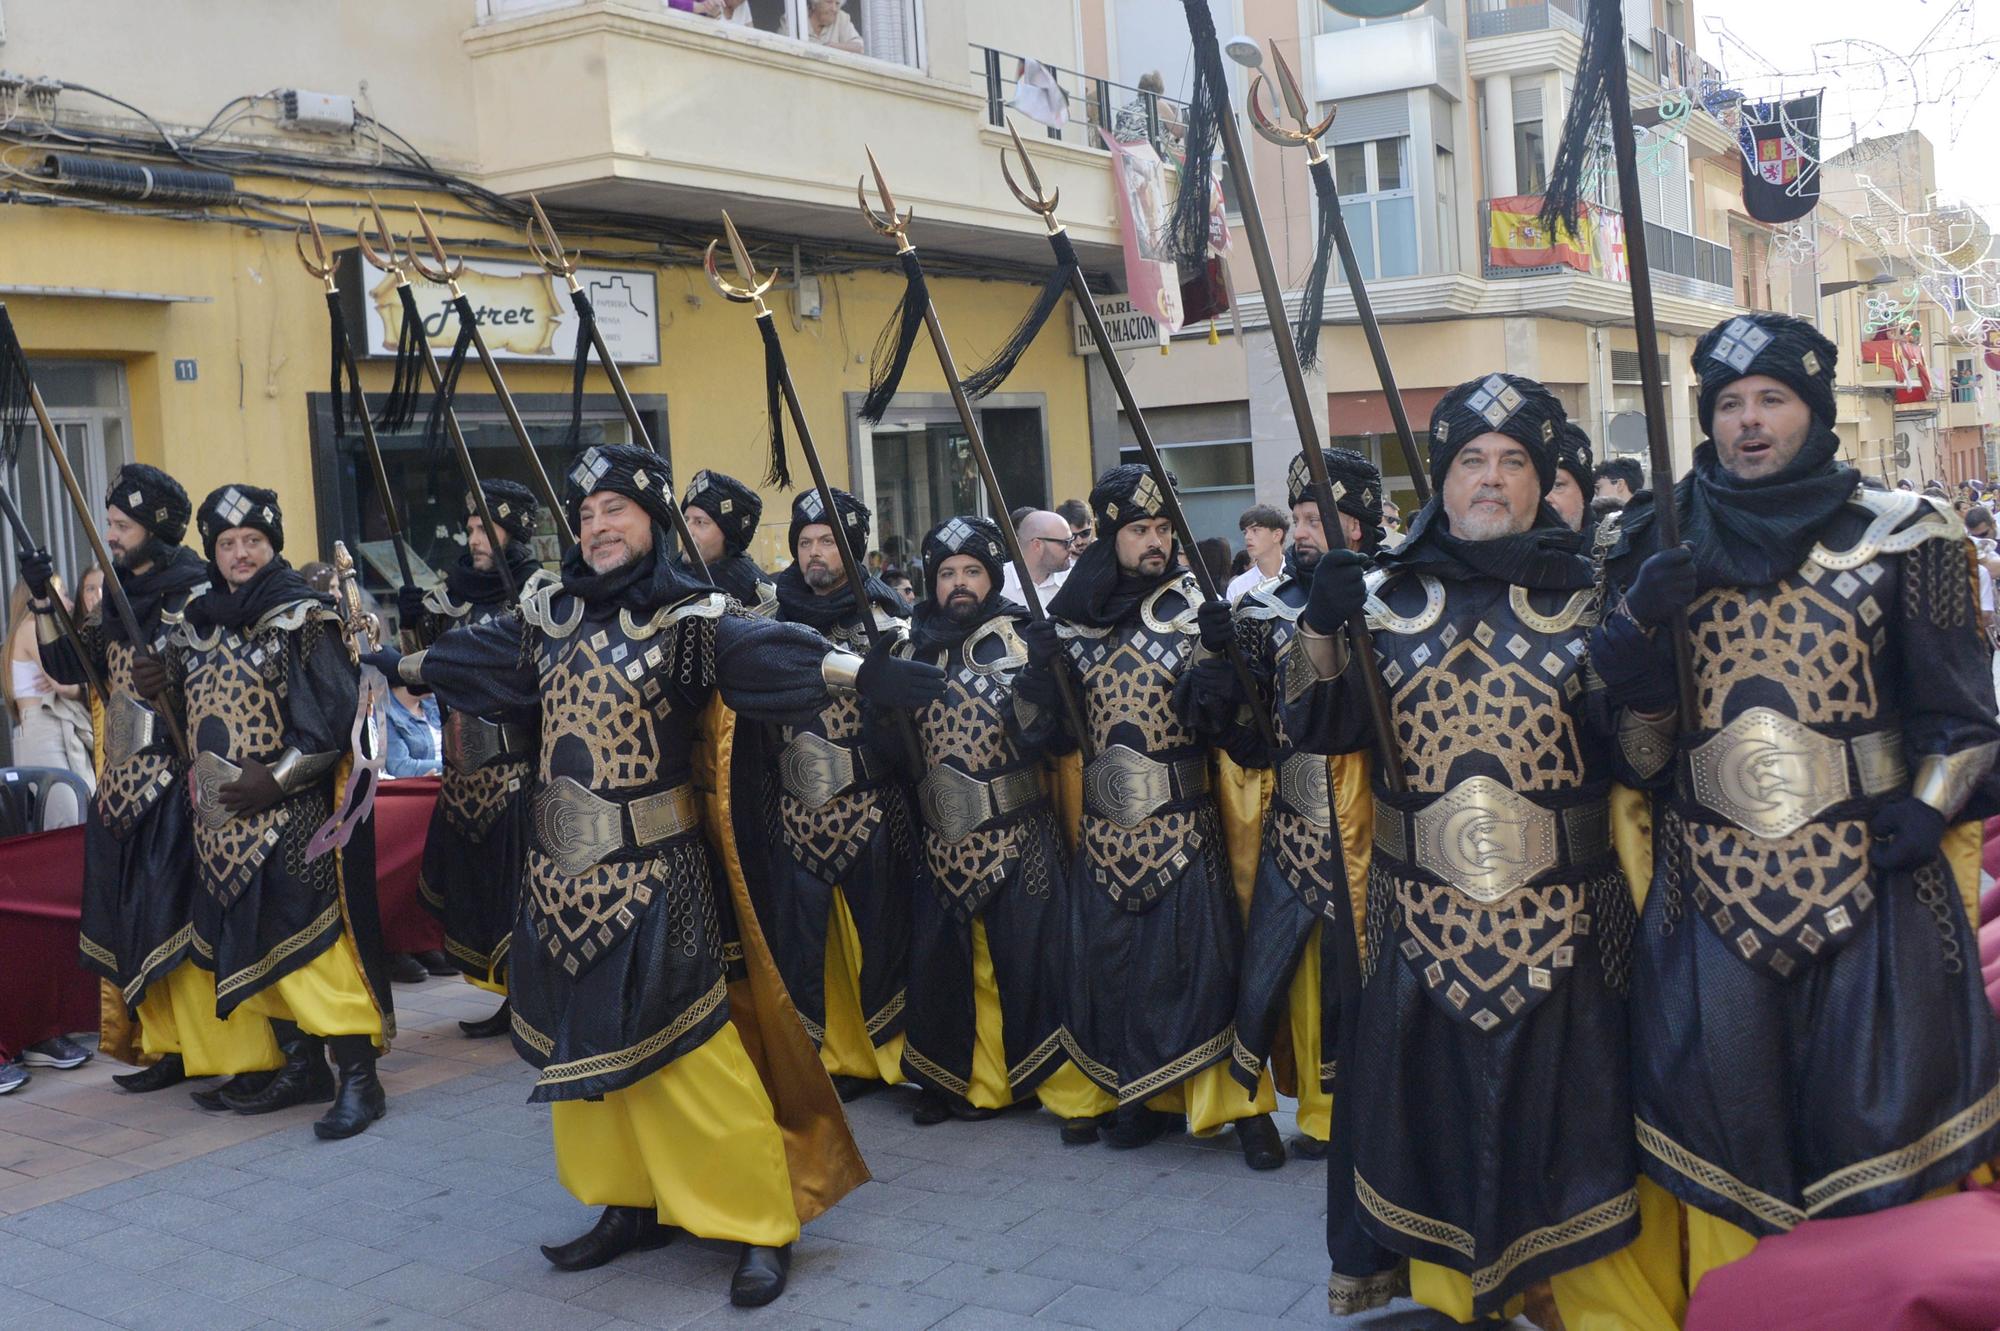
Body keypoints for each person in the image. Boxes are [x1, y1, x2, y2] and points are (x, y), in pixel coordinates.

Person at [374, 445, 942, 1303]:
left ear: (653, 522)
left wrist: (864, 672)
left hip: (657, 876)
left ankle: (760, 1220)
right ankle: (627, 1203)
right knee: (584, 1060)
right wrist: (399, 664)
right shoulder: (550, 617)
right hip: (559, 880)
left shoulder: (686, 619)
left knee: (693, 1056)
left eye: (617, 511)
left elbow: (765, 657)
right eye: (587, 514)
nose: (599, 527)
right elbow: (481, 659)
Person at [1591, 312, 2000, 1294]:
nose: (1747, 421)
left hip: (1871, 886)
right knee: (1720, 1114)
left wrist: (1930, 801)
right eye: (1727, 403)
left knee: (1874, 1120)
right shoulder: (1648, 540)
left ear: (1812, 411)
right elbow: (1642, 760)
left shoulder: (1907, 533)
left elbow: (1962, 712)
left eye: (1770, 398)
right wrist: (1631, 648)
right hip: (1706, 891)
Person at [1324, 376, 1677, 1326]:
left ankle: (1567, 1302)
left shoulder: (1597, 598)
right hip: (1422, 921)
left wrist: (1648, 685)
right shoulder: (1387, 600)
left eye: (1514, 461)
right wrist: (1322, 633)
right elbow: (1318, 727)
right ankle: (1453, 1300)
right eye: (1471, 461)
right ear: (1441, 480)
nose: (1491, 480)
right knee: (1435, 1127)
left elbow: (1645, 764)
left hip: (1567, 926)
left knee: (1568, 1136)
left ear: (1544, 479)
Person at [1017, 464, 1284, 1166]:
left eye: (1165, 527)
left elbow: (1229, 725)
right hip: (1106, 832)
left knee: (1205, 968)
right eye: (1141, 529)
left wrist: (1226, 661)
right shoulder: (1075, 617)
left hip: (1183, 822)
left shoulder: (1196, 604)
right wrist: (1040, 672)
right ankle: (1138, 1095)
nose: (1157, 541)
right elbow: (1047, 735)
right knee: (1117, 971)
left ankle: (1242, 1109)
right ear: (1110, 534)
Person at [169, 483, 393, 1137]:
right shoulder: (199, 623)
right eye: (229, 543)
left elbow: (332, 720)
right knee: (253, 947)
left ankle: (359, 1076)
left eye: (253, 541)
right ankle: (301, 1066)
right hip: (219, 828)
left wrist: (279, 778)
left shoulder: (303, 618)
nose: (240, 553)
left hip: (289, 822)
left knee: (313, 949)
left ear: (273, 546)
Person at [29, 465, 251, 1102]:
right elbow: (70, 662)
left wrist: (173, 683)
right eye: (109, 524)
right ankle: (171, 1047)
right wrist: (45, 600)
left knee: (182, 923)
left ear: (156, 529)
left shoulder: (196, 593)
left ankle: (221, 1051)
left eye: (122, 526)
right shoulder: (118, 596)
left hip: (175, 784)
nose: (111, 536)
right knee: (140, 925)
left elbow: (224, 686)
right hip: (122, 788)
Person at [886, 516, 1091, 1125]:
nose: (959, 584)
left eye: (971, 571)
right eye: (947, 574)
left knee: (1032, 960)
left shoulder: (1025, 635)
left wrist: (1042, 683)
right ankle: (951, 1082)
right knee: (942, 963)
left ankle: (1052, 1085)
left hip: (1017, 828)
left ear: (993, 574)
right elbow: (894, 754)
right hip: (941, 836)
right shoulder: (908, 645)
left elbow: (1047, 739)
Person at [1229, 449, 1382, 1162]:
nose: (1303, 531)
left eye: (1319, 517)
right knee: (1291, 973)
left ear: (1359, 521)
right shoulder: (1262, 608)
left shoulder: (1395, 598)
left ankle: (1366, 1105)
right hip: (1294, 817)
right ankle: (1312, 1112)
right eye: (1296, 518)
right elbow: (1248, 725)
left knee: (1367, 968)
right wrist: (1222, 673)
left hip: (1378, 820)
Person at [757, 488, 919, 1099]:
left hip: (871, 804)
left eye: (827, 541)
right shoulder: (771, 622)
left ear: (852, 549)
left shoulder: (886, 620)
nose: (814, 554)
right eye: (805, 542)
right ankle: (830, 1059)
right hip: (794, 810)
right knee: (806, 946)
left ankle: (895, 1060)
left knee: (882, 936)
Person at [8, 577, 92, 826]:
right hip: (44, 729)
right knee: (67, 818)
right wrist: (81, 688)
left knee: (68, 814)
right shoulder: (32, 627)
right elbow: (63, 685)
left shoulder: (23, 629)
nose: (68, 603)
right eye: (61, 594)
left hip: (41, 728)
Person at [682, 469, 776, 616]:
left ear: (728, 533)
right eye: (686, 520)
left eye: (700, 522)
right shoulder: (668, 577)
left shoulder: (759, 595)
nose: (687, 530)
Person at [999, 509, 1074, 606]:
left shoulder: (1074, 582)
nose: (1072, 548)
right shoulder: (998, 584)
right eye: (1066, 543)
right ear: (1037, 545)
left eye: (1072, 540)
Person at [1226, 504, 1289, 602]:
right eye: (1245, 532)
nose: (1247, 537)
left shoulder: (1300, 578)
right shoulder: (1238, 587)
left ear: (1277, 535)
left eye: (1255, 530)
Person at [382, 685, 440, 778]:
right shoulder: (384, 712)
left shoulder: (435, 701)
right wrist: (452, 768)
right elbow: (401, 767)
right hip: (427, 786)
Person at [1549, 423, 1593, 533]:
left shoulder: (1617, 548)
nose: (1546, 498)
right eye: (1536, 487)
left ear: (1583, 492)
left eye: (1557, 485)